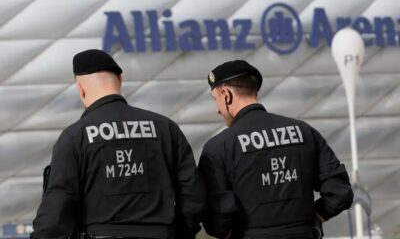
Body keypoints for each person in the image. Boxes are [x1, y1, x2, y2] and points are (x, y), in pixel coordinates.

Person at [30, 49, 205, 239]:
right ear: (120, 80)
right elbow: (192, 195)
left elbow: (57, 207)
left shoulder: (74, 137)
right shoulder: (165, 128)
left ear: (80, 88)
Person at [198, 60, 354, 239]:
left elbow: (217, 221)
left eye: (215, 99)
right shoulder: (304, 131)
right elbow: (340, 192)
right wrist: (315, 217)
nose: (217, 110)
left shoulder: (219, 147)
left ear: (226, 94)